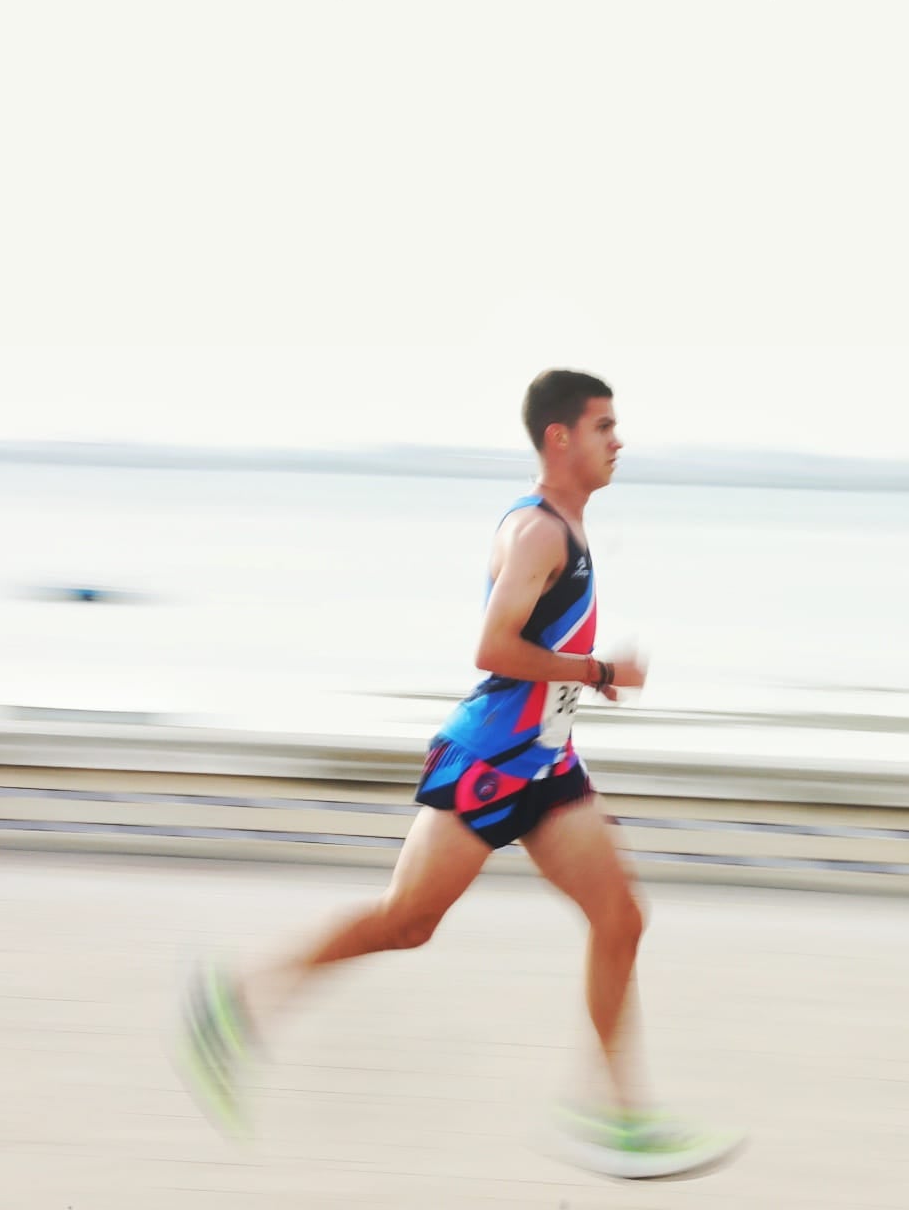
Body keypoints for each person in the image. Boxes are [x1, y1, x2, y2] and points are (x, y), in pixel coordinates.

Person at [176, 368, 741, 1179]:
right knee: (406, 923)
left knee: (620, 917)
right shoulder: (539, 532)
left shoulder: (567, 530)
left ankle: (614, 1116)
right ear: (559, 437)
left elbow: (533, 651)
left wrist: (584, 680)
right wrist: (596, 669)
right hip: (490, 764)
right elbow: (492, 647)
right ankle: (237, 1000)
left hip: (546, 766)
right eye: (603, 427)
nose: (619, 442)